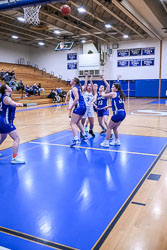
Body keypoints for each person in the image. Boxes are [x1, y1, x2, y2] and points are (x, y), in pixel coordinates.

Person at [0, 84, 25, 163]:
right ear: (6, 89)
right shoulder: (6, 98)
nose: (10, 86)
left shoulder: (3, 97)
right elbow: (11, 103)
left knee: (3, 137)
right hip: (5, 121)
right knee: (16, 138)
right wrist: (18, 104)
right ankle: (14, 158)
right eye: (8, 86)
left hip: (2, 120)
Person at [100, 83, 126, 147]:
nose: (112, 88)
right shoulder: (121, 94)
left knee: (109, 127)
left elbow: (103, 95)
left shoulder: (114, 93)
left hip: (117, 113)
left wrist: (102, 91)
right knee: (115, 128)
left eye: (113, 87)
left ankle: (106, 142)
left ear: (116, 88)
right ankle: (117, 141)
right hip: (123, 113)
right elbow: (117, 104)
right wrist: (108, 106)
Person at [69, 77, 87, 147]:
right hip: (83, 106)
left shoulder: (74, 88)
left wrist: (71, 107)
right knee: (78, 122)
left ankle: (76, 140)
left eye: (72, 79)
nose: (71, 80)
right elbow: (85, 86)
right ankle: (84, 135)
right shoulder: (79, 87)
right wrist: (86, 77)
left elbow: (77, 98)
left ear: (74, 82)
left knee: (72, 123)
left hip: (79, 106)